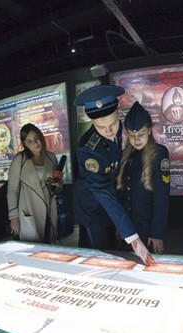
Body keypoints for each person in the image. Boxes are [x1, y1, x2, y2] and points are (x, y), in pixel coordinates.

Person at [73, 85, 155, 266]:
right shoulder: (89, 149)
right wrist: (133, 238)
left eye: (112, 124)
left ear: (118, 111)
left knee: (116, 249)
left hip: (115, 203)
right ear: (92, 122)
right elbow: (103, 192)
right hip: (94, 209)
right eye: (101, 127)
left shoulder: (123, 130)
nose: (109, 131)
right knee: (101, 257)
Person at [116, 101, 170, 254]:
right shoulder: (126, 155)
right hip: (129, 227)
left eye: (140, 134)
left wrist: (157, 233)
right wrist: (120, 226)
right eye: (131, 135)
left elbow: (162, 197)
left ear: (149, 130)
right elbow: (122, 195)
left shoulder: (159, 154)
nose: (136, 140)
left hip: (147, 227)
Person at [6, 123, 59, 243]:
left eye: (36, 138)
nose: (35, 143)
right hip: (29, 210)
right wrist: (13, 217)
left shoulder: (51, 157)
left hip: (49, 209)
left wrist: (58, 184)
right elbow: (12, 190)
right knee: (31, 246)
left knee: (49, 243)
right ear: (24, 144)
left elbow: (58, 180)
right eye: (29, 141)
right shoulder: (20, 159)